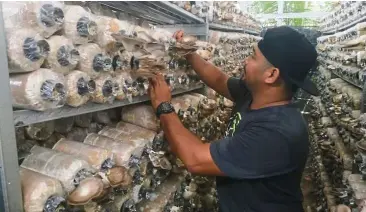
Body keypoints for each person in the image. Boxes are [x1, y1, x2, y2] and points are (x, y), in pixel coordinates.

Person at [147, 26, 319, 212]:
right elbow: (220, 80)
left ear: (271, 74)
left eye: (253, 56)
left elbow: (194, 159)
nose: (245, 60)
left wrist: (164, 107)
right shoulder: (255, 95)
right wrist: (188, 53)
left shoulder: (277, 132)